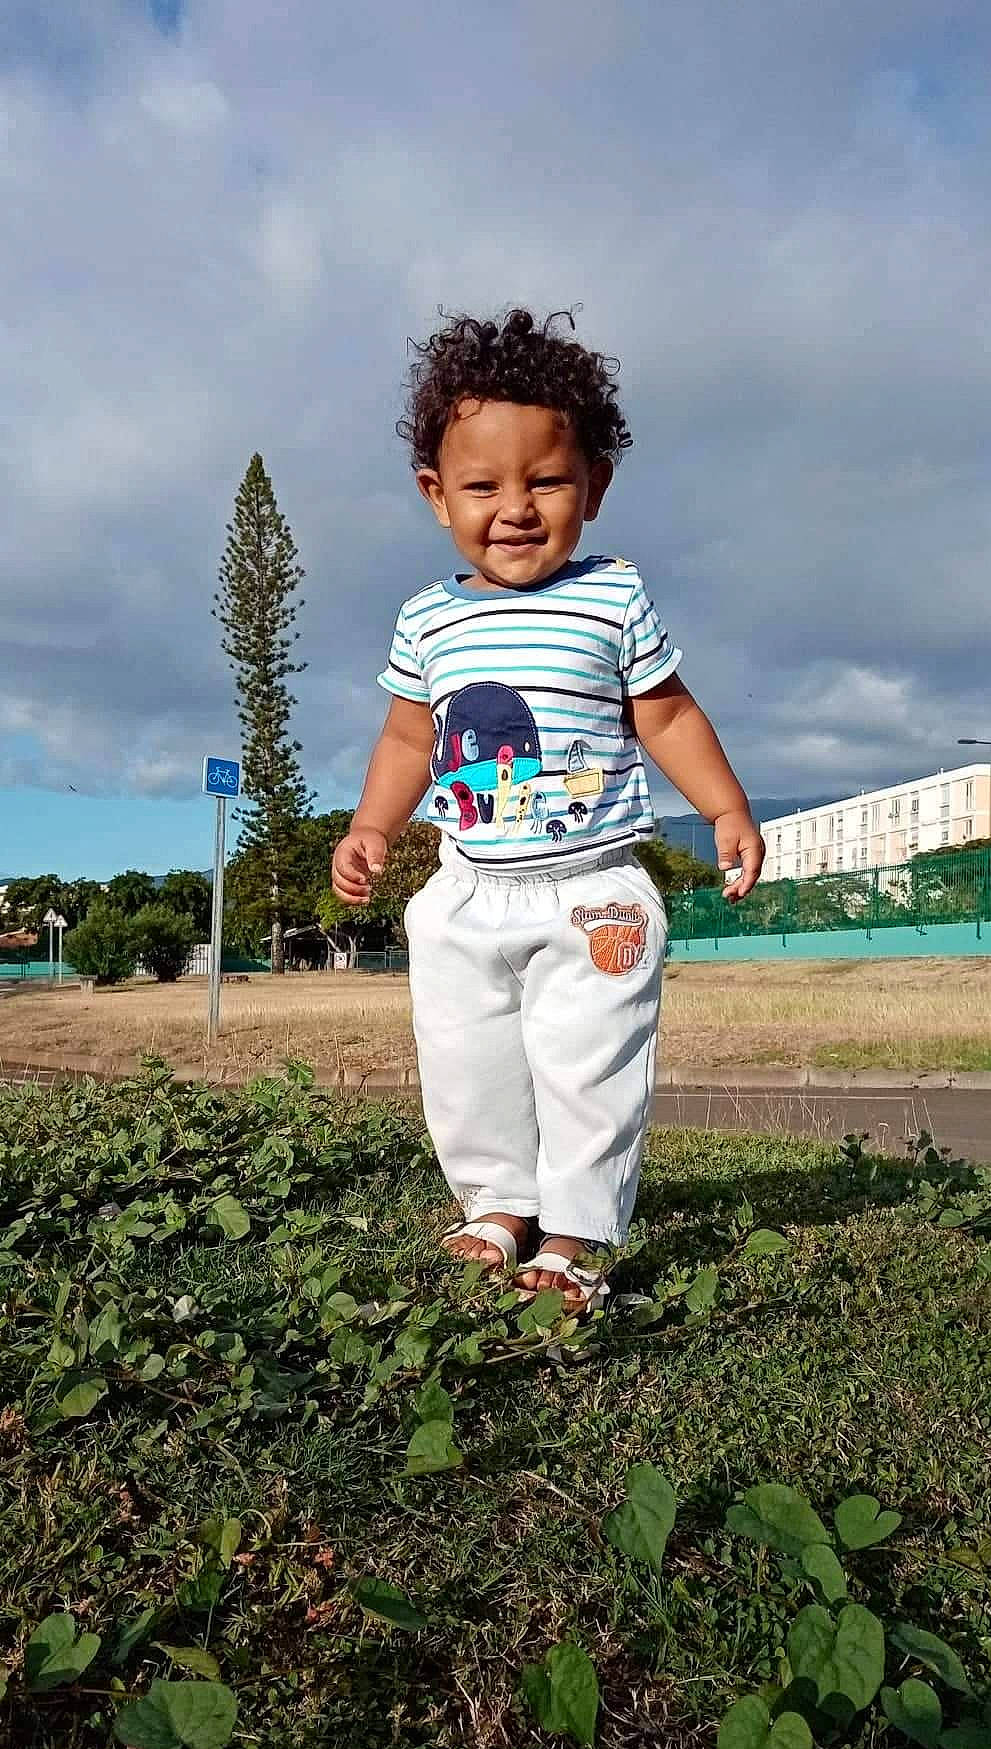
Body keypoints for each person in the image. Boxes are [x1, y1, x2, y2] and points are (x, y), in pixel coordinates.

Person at [332, 309, 763, 1311]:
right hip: (466, 890)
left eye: (547, 480)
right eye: (483, 485)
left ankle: (572, 1233)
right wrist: (372, 827)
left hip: (591, 895)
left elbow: (663, 714)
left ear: (595, 489)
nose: (515, 508)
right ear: (437, 496)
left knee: (587, 1065)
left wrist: (727, 805)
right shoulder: (427, 618)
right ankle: (498, 1203)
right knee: (467, 1058)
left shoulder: (613, 598)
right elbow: (407, 739)